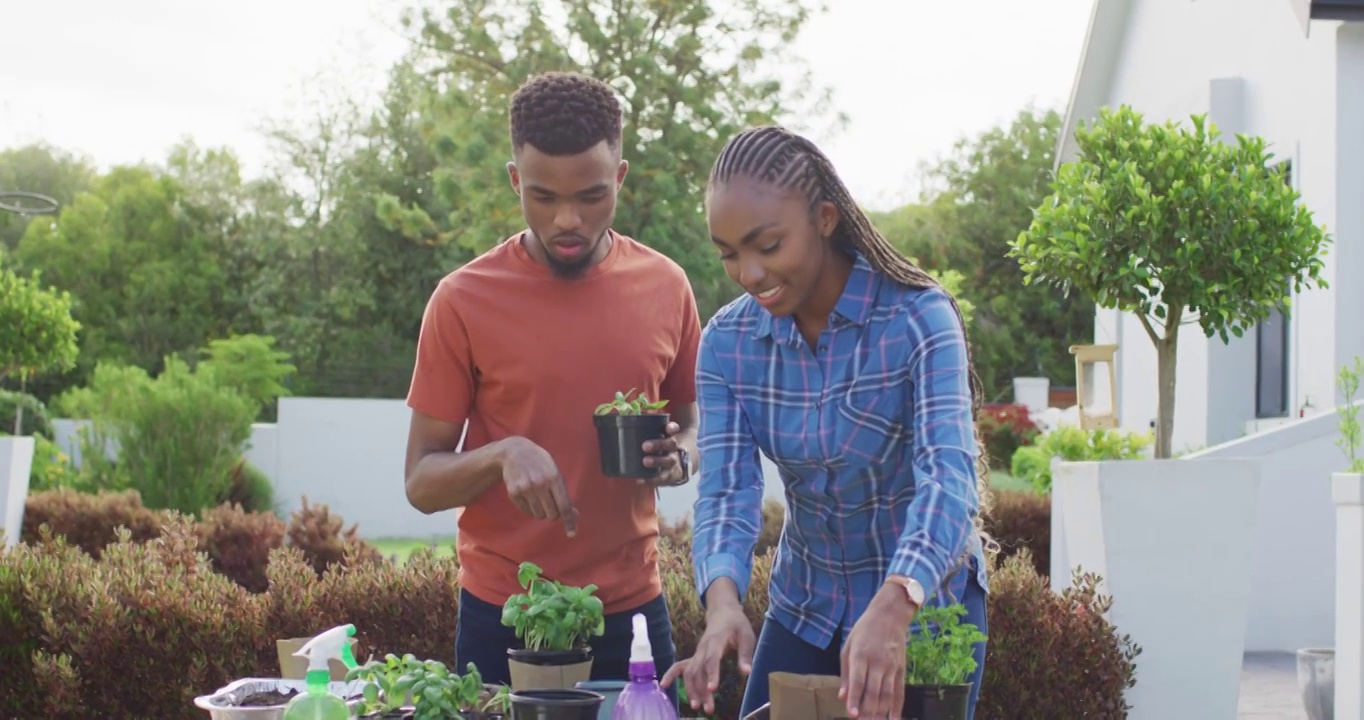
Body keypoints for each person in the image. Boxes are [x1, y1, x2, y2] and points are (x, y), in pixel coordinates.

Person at [660, 125, 992, 720]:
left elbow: (949, 479)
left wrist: (896, 603)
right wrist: (722, 603)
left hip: (920, 601)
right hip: (806, 605)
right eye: (729, 252)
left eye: (767, 245)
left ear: (826, 218)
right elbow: (728, 490)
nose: (749, 273)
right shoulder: (728, 344)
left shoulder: (918, 319)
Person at [402, 71, 701, 694]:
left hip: (632, 609)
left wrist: (682, 457)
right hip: (504, 613)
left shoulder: (667, 286)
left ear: (619, 178)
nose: (567, 218)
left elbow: (693, 422)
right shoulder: (462, 299)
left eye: (591, 196)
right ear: (515, 181)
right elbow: (421, 483)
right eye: (543, 196)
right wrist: (502, 454)